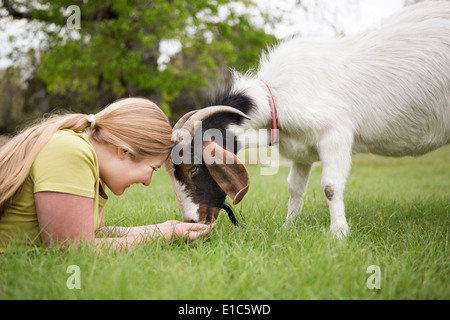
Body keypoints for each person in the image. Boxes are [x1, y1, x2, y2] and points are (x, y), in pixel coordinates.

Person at [0, 97, 212, 252]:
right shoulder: (71, 150)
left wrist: (164, 228)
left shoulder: (91, 166)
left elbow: (95, 234)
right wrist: (164, 236)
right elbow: (71, 249)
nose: (148, 182)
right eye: (153, 169)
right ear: (124, 150)